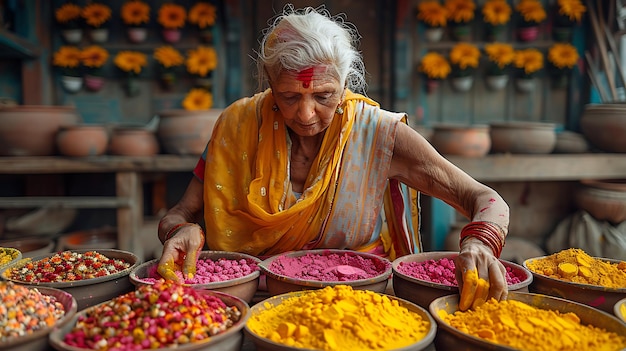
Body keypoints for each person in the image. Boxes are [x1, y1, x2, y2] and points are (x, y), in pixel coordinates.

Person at [157, 5, 510, 307]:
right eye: (290, 97)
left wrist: (479, 242)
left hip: (355, 300)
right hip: (250, 300)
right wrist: (182, 230)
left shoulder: (378, 134)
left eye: (324, 96)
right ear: (269, 83)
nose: (306, 114)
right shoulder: (237, 125)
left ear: (345, 84)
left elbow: (486, 198)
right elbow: (179, 214)